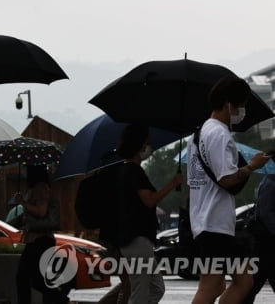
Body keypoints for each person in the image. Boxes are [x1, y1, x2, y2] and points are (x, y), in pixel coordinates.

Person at [187, 74, 271, 304]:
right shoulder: (219, 134)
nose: (242, 111)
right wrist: (252, 166)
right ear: (228, 105)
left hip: (205, 220)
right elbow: (227, 180)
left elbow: (193, 180)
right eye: (241, 106)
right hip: (214, 223)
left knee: (233, 282)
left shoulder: (198, 134)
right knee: (215, 285)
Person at [111, 124, 182, 304]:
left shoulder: (127, 171)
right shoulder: (133, 171)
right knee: (141, 290)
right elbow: (149, 200)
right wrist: (172, 184)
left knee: (156, 288)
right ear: (138, 144)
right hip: (136, 239)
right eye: (146, 143)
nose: (148, 147)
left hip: (135, 239)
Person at [13, 165, 69, 304]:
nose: (25, 172)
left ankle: (61, 300)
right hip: (38, 240)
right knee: (37, 280)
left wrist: (23, 202)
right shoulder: (37, 188)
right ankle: (62, 300)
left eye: (27, 168)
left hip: (40, 240)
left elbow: (41, 212)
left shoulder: (40, 188)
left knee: (23, 277)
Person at [243, 174, 275, 303]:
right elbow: (266, 213)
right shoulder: (271, 182)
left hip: (266, 242)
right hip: (268, 241)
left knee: (254, 281)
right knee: (254, 281)